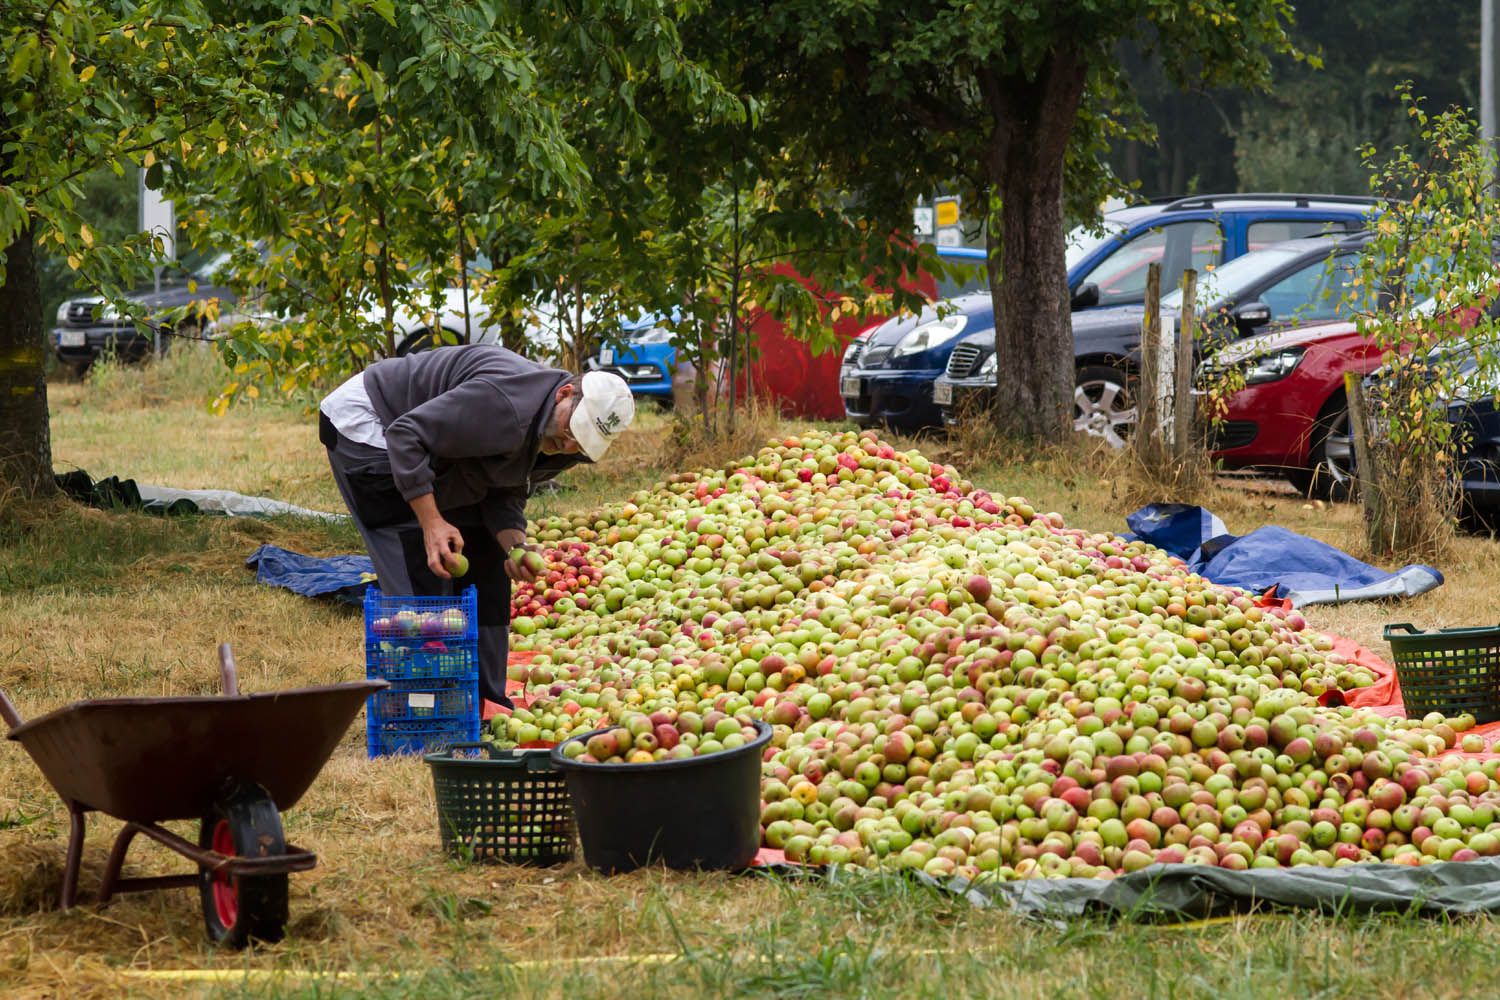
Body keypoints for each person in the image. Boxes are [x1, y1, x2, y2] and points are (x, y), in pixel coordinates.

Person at [319, 344, 635, 707]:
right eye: (570, 429)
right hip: (371, 422)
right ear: (564, 394)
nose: (566, 444)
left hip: (424, 439)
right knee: (418, 556)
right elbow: (406, 435)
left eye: (579, 441)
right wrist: (433, 522)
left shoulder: (562, 442)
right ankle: (424, 707)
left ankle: (482, 702)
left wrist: (516, 545)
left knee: (485, 557)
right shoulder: (504, 405)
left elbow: (505, 487)